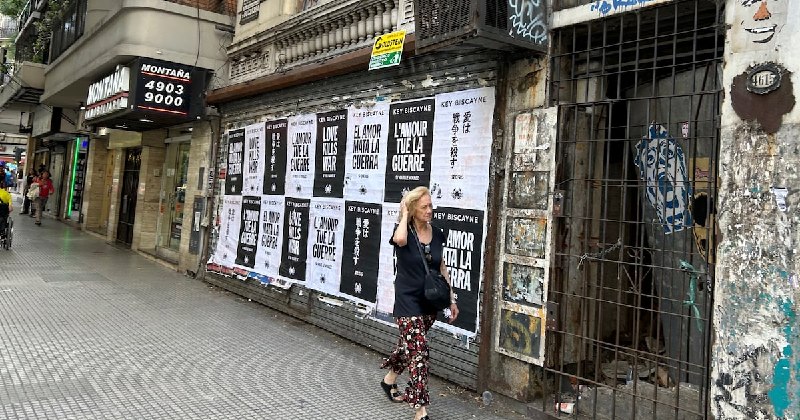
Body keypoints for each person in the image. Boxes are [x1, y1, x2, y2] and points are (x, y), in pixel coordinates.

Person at [380, 186, 459, 420]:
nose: (429, 210)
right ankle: (420, 409)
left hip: (429, 303)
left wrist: (451, 298)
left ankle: (389, 381)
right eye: (424, 206)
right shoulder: (403, 230)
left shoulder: (438, 233)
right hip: (407, 300)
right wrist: (404, 214)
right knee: (419, 353)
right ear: (413, 208)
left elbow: (440, 267)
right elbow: (400, 240)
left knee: (410, 347)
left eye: (431, 205)